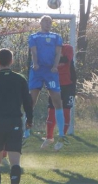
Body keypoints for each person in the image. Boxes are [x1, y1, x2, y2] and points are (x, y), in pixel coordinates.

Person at [0, 48, 33, 184]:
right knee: (15, 161)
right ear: (12, 61)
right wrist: (30, 119)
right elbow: (28, 102)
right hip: (15, 122)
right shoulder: (20, 79)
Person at [28, 15, 65, 150]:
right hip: (37, 71)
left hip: (51, 72)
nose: (48, 24)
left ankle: (61, 135)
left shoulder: (56, 37)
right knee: (31, 100)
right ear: (40, 23)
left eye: (50, 22)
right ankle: (26, 132)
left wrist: (55, 66)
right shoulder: (34, 36)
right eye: (45, 21)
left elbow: (58, 53)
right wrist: (35, 64)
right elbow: (34, 52)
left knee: (57, 100)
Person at [41, 44, 77, 148]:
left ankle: (62, 138)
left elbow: (66, 59)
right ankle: (49, 137)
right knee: (51, 111)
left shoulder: (68, 48)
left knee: (66, 110)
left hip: (68, 85)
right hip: (54, 84)